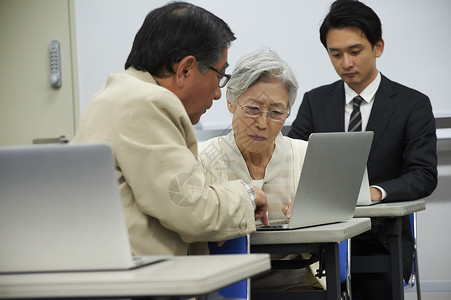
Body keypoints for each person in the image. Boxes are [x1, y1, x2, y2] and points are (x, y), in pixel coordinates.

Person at [71, 1, 269, 257]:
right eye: (219, 77)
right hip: (144, 283)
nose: (219, 93)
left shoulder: (113, 95)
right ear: (185, 69)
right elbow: (192, 210)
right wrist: (247, 195)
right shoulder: (148, 103)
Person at [288, 0, 438, 299]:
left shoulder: (412, 104)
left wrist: (376, 192)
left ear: (377, 47)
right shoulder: (315, 102)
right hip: (318, 235)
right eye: (336, 54)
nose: (346, 62)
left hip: (381, 238)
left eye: (355, 51)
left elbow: (423, 175)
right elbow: (290, 159)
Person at [198, 49, 324, 290]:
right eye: (253, 109)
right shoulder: (203, 159)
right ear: (231, 102)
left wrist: (315, 215)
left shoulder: (307, 156)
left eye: (276, 113)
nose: (262, 123)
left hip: (299, 285)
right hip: (224, 287)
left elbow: (339, 218)